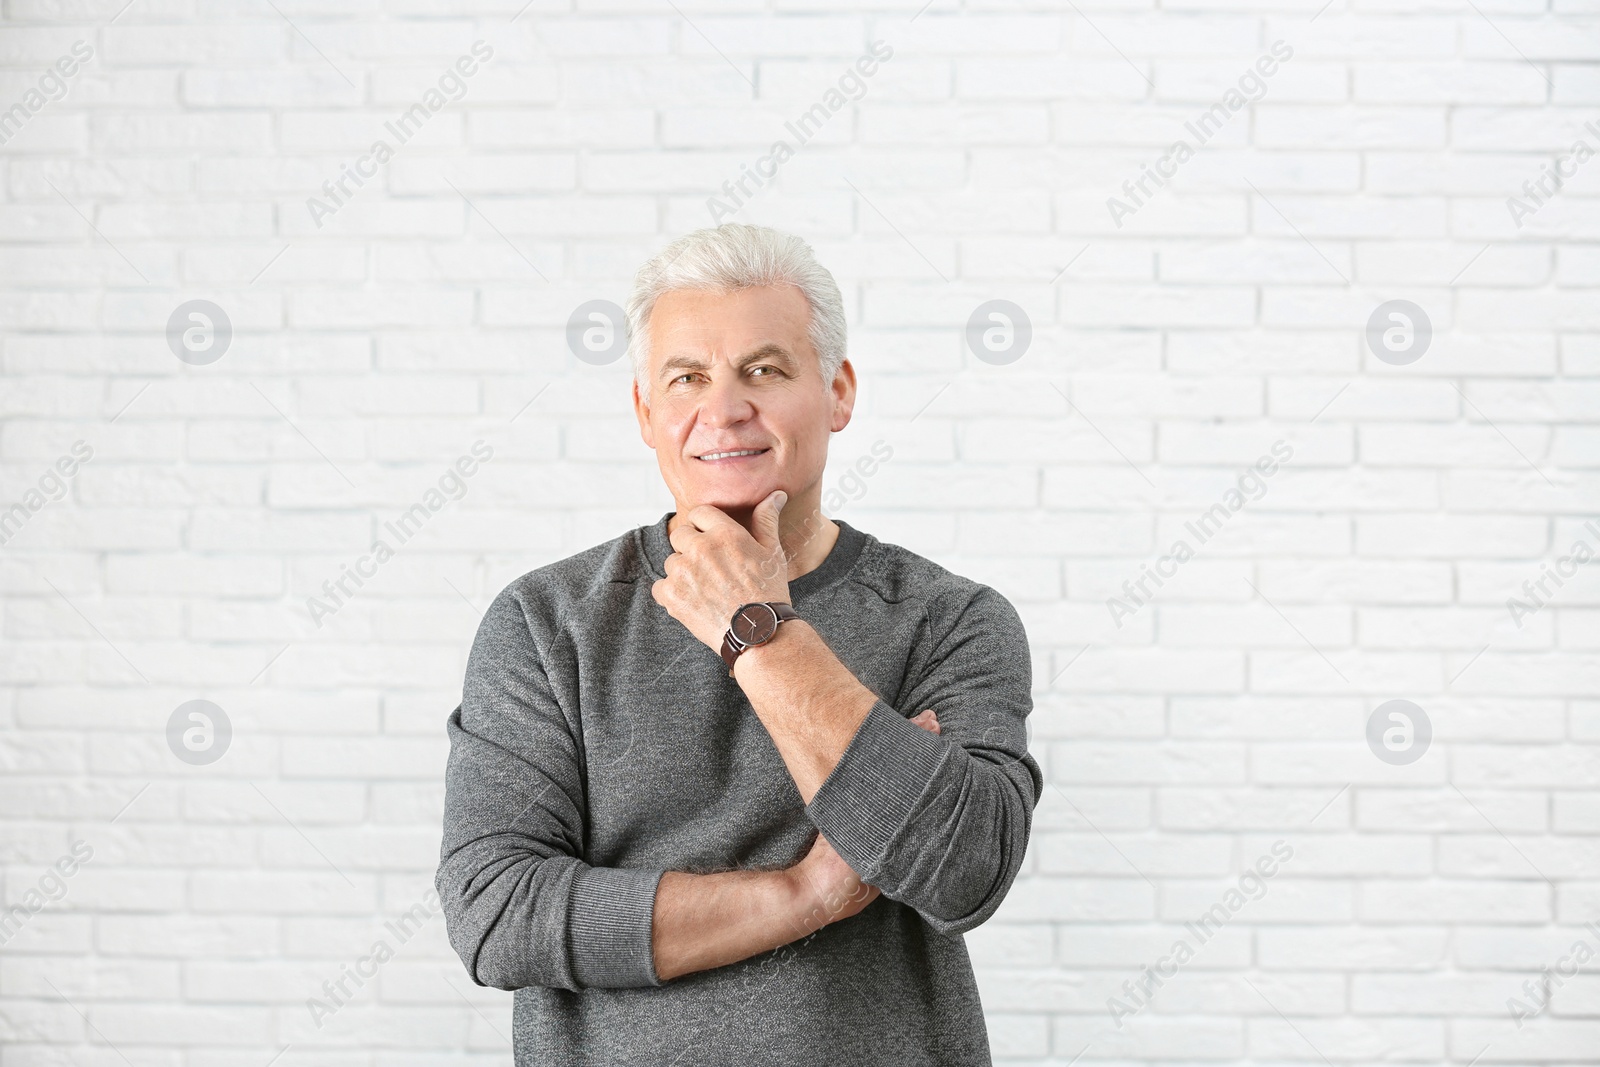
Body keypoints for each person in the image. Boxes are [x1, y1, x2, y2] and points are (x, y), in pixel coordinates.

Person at [436, 222, 1041, 1066]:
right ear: (646, 410)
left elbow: (964, 868)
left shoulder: (948, 618)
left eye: (764, 369)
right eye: (687, 377)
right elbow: (497, 913)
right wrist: (802, 894)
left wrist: (760, 629)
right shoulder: (548, 623)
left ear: (837, 390)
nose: (723, 410)